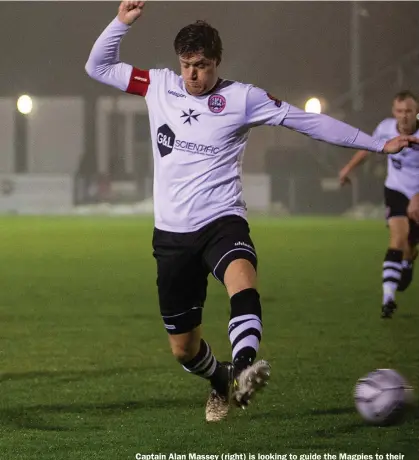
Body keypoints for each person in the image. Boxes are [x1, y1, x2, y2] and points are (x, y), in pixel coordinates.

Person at [86, 1, 419, 422]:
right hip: (171, 235)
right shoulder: (157, 85)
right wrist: (120, 23)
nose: (192, 74)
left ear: (217, 62)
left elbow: (306, 121)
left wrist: (376, 144)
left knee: (242, 282)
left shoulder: (242, 98)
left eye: (202, 65)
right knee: (183, 350)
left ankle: (244, 367)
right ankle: (220, 378)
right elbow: (97, 67)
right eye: (186, 64)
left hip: (223, 220)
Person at [339, 91, 419, 319]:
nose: (404, 116)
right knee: (397, 239)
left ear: (416, 112)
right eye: (399, 111)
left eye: (409, 111)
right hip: (395, 190)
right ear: (394, 112)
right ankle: (388, 298)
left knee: (410, 247)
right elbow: (370, 147)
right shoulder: (386, 127)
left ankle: (408, 262)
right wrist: (348, 168)